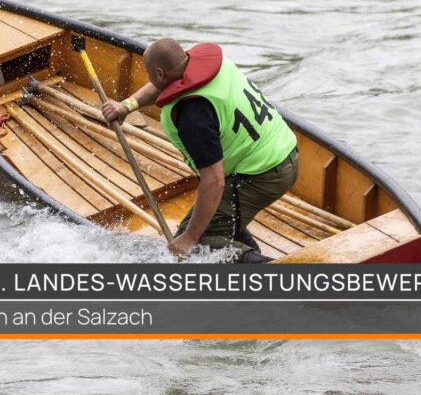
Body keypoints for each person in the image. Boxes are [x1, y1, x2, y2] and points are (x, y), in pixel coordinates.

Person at [102, 39, 299, 263]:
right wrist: (127, 105)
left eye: (151, 75)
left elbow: (214, 181)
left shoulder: (192, 114)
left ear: (158, 73)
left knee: (197, 250)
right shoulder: (204, 64)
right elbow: (165, 82)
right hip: (282, 151)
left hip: (263, 173)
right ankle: (242, 246)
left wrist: (190, 237)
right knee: (215, 227)